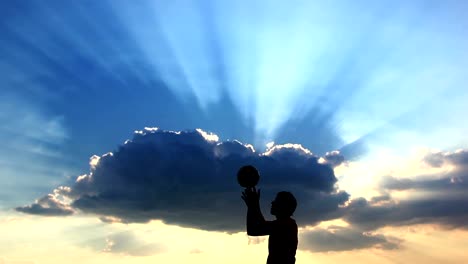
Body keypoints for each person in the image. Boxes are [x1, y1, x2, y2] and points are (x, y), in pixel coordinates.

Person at [242, 187, 298, 264]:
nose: (272, 202)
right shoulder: (287, 224)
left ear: (284, 206)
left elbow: (254, 229)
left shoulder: (286, 225)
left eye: (276, 201)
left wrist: (253, 205)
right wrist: (252, 206)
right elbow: (255, 228)